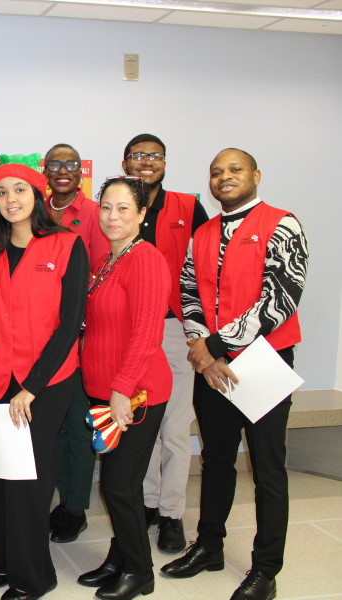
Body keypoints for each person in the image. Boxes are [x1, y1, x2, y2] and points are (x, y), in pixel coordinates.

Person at [162, 149, 309, 600]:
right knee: (217, 460)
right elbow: (188, 291)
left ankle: (266, 569)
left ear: (255, 176)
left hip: (265, 361)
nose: (224, 177)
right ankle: (209, 546)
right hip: (212, 366)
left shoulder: (282, 223)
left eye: (234, 170)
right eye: (216, 172)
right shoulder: (203, 232)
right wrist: (203, 351)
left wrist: (216, 345)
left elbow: (281, 296)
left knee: (267, 469)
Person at [0, 154, 88, 600]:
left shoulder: (67, 245)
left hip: (46, 382)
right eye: (1, 192)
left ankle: (33, 576)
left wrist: (32, 388)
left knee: (28, 482)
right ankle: (4, 562)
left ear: (37, 195)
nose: (10, 199)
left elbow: (69, 325)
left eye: (19, 190)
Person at [77, 177, 172, 600]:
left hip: (136, 393)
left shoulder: (145, 259)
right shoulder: (106, 259)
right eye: (106, 207)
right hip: (107, 391)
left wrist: (121, 389)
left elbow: (147, 333)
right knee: (116, 484)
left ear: (142, 214)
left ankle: (139, 571)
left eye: (123, 208)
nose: (113, 216)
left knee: (120, 485)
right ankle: (119, 558)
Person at [121, 133, 210, 553]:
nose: (146, 162)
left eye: (154, 155)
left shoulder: (188, 207)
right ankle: (148, 503)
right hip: (129, 331)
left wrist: (201, 331)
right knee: (141, 424)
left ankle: (172, 514)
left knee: (174, 427)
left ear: (165, 163)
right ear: (125, 162)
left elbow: (207, 267)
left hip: (173, 328)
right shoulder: (118, 206)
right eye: (138, 155)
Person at [43, 143, 110, 543]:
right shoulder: (36, 209)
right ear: (45, 171)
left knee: (77, 426)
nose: (63, 170)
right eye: (55, 164)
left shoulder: (94, 214)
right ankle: (59, 498)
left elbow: (100, 274)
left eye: (71, 164)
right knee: (51, 427)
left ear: (81, 171)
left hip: (81, 337)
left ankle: (75, 508)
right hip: (41, 338)